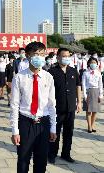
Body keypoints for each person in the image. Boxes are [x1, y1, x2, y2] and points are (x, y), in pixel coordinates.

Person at [10, 42, 57, 173]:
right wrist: (15, 130)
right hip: (25, 122)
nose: (39, 57)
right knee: (23, 160)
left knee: (41, 161)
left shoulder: (48, 77)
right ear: (28, 55)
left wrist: (53, 127)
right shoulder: (20, 77)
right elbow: (14, 105)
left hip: (44, 123)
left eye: (42, 54)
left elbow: (52, 104)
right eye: (36, 54)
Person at [48, 48, 82, 164]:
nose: (66, 58)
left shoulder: (73, 71)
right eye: (64, 56)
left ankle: (66, 154)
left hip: (71, 107)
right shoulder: (52, 72)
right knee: (54, 132)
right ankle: (52, 154)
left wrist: (80, 102)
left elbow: (78, 86)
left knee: (69, 132)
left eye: (68, 56)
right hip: (57, 108)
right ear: (58, 57)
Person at [82, 57, 103, 133]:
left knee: (95, 111)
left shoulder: (98, 73)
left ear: (97, 64)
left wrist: (101, 95)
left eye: (94, 62)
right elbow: (83, 85)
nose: (93, 64)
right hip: (88, 91)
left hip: (96, 91)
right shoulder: (85, 73)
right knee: (88, 111)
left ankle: (92, 125)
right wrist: (85, 95)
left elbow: (100, 84)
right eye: (92, 62)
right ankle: (89, 126)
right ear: (89, 63)